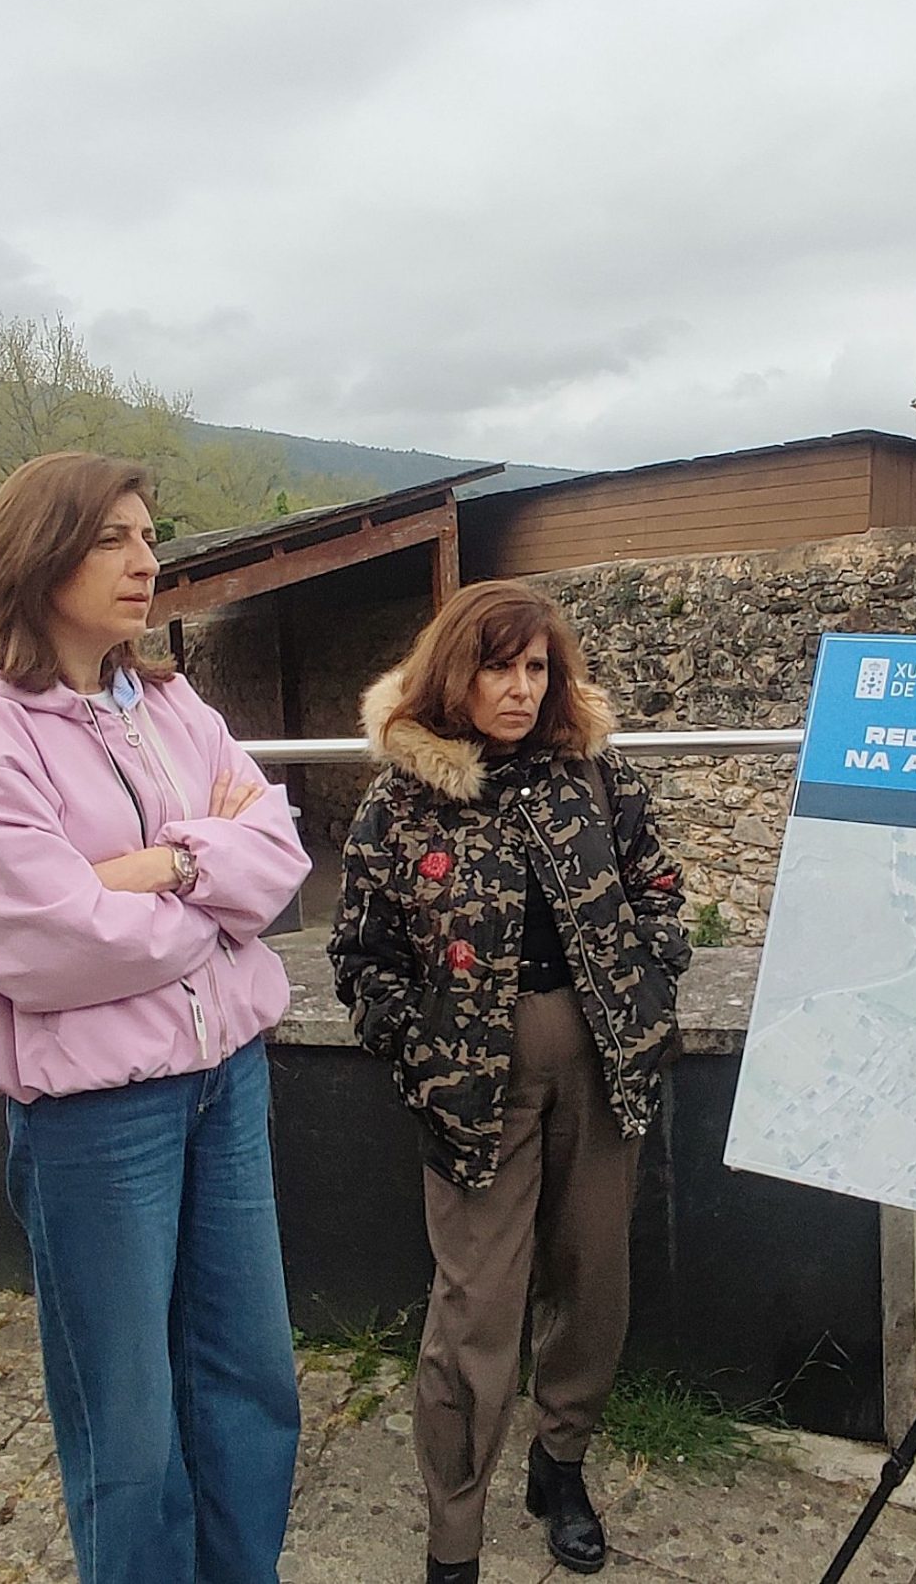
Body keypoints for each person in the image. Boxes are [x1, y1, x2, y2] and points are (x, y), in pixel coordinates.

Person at [0, 449, 310, 1584]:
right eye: (114, 539)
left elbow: (276, 858)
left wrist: (156, 867)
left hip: (227, 1076)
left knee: (251, 1376)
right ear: (39, 557)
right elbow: (51, 938)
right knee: (126, 1418)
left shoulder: (172, 703)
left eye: (148, 535)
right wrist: (208, 887)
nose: (147, 561)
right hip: (96, 1112)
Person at [330, 580, 693, 1584]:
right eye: (499, 665)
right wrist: (415, 1045)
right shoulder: (401, 803)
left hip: (603, 1069)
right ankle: (454, 1531)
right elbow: (361, 954)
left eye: (538, 667)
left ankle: (561, 1459)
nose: (522, 687)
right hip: (468, 1091)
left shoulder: (595, 776)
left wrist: (649, 981)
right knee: (474, 1313)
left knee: (593, 1282)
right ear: (456, 667)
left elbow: (660, 888)